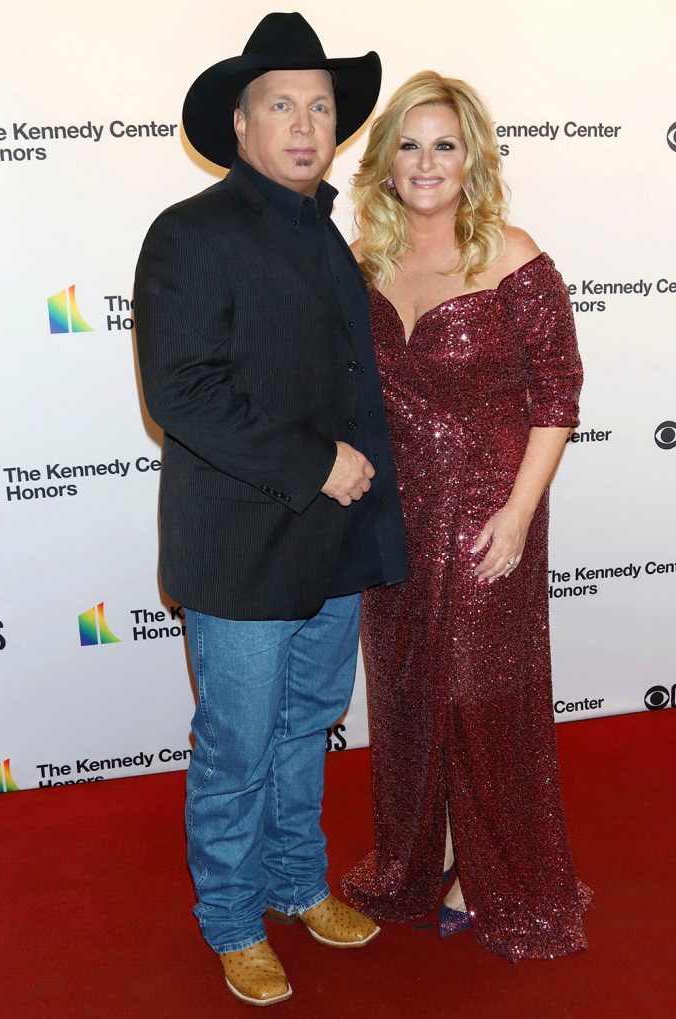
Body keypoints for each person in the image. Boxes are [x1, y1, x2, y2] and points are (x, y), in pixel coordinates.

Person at [134, 13, 408, 1007]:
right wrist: (312, 463)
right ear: (240, 125)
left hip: (331, 542)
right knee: (239, 744)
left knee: (304, 726)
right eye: (281, 105)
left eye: (320, 106)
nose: (304, 123)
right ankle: (232, 920)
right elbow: (184, 393)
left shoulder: (326, 233)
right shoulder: (188, 234)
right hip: (243, 548)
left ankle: (297, 881)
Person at [341, 71, 591, 961]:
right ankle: (421, 850)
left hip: (490, 508)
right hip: (395, 514)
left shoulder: (512, 254)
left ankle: (497, 868)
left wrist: (522, 514)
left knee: (483, 694)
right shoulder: (363, 253)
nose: (425, 162)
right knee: (408, 688)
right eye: (409, 143)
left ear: (472, 156)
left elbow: (558, 395)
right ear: (385, 158)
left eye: (445, 144)